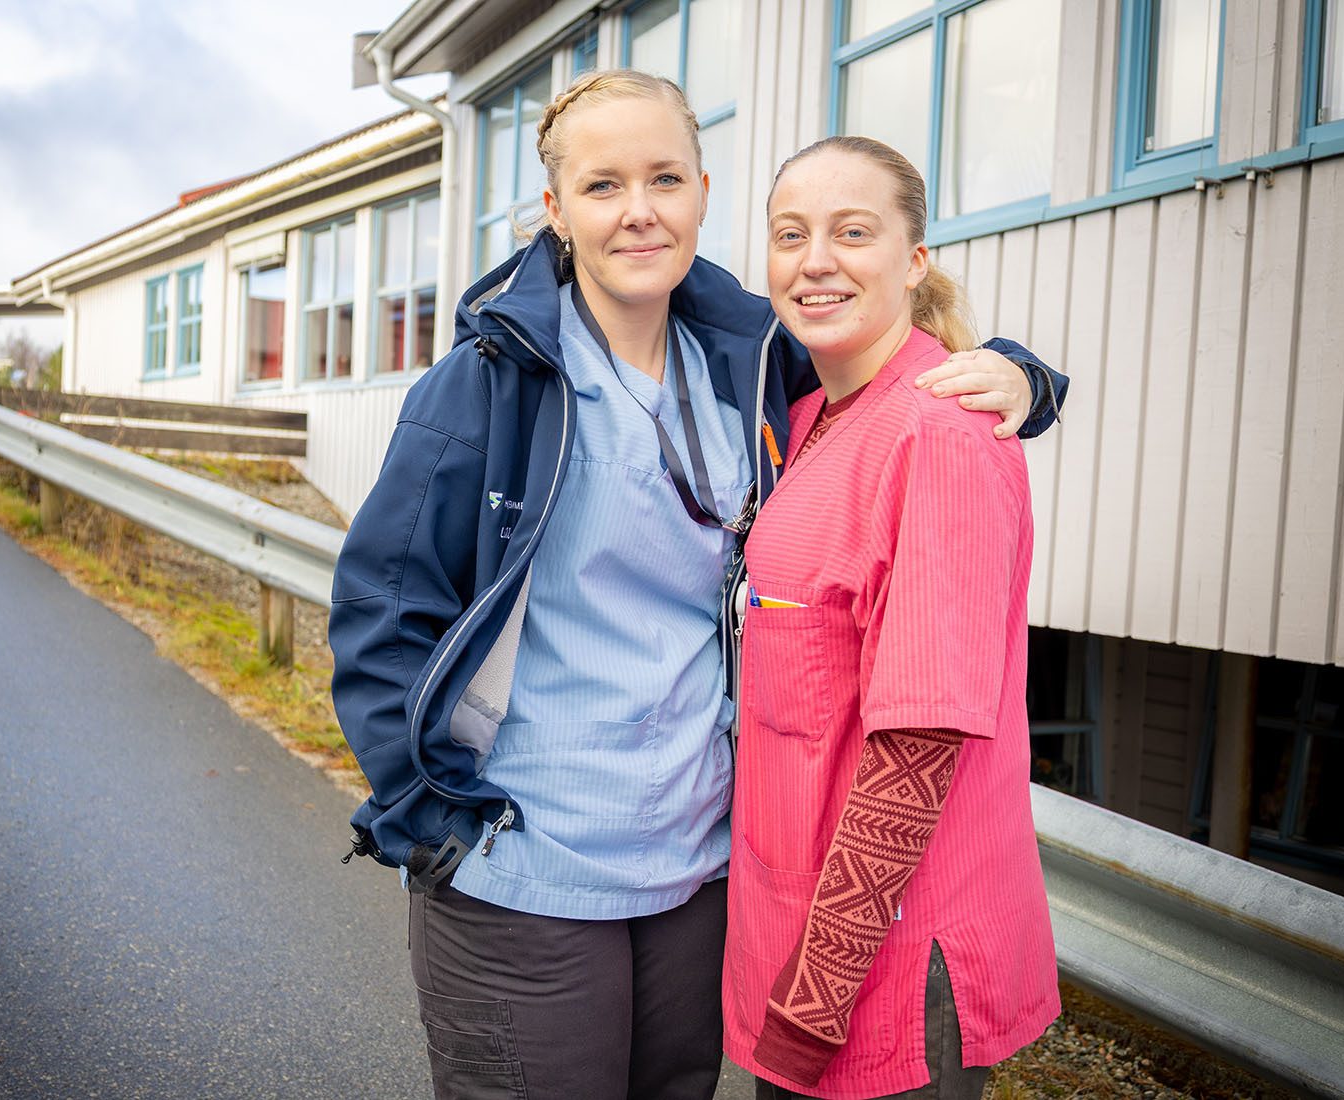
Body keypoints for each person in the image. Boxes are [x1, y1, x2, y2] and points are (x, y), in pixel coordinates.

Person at [330, 71, 1064, 1100]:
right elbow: (380, 605)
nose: (639, 210)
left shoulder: (753, 366)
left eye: (665, 178)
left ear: (703, 192)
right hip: (524, 862)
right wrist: (428, 817)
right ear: (555, 208)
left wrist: (1026, 378)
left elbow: (906, 374)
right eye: (603, 185)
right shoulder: (490, 382)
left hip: (692, 876)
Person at [723, 135, 1060, 1100]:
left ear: (915, 262)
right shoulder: (815, 414)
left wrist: (813, 1001)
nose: (815, 259)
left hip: (880, 982)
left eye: (852, 231)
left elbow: (917, 743)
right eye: (791, 235)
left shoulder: (936, 432)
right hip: (795, 938)